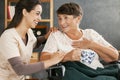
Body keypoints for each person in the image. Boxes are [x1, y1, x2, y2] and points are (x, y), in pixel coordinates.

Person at [40, 2, 119, 80]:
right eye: (59, 18)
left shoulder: (90, 34)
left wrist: (91, 44)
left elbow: (115, 55)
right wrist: (66, 57)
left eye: (66, 18)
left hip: (98, 72)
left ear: (78, 18)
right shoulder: (56, 36)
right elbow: (43, 59)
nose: (61, 22)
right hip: (74, 73)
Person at [0, 0, 65, 80]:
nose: (40, 18)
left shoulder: (29, 32)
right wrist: (52, 61)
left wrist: (46, 36)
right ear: (25, 12)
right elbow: (20, 69)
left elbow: (34, 43)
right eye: (37, 13)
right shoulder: (8, 36)